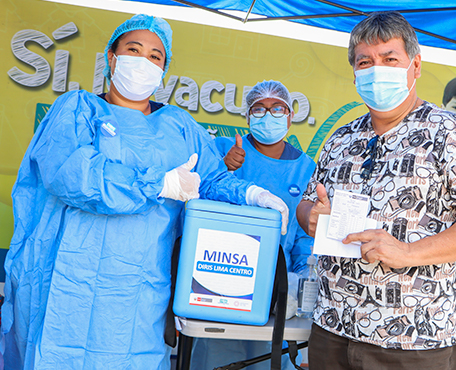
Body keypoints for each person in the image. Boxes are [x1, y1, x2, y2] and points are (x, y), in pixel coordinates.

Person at [1, 14, 289, 370]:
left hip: (140, 289)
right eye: (133, 50)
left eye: (155, 56)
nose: (143, 61)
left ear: (163, 69)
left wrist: (253, 196)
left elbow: (211, 180)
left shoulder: (179, 125)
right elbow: (73, 175)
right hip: (68, 284)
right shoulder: (77, 110)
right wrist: (159, 184)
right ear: (112, 57)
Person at [296, 11, 456, 370]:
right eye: (366, 62)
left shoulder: (452, 135)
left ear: (416, 66)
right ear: (355, 73)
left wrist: (407, 252)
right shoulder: (341, 138)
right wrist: (310, 216)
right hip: (334, 326)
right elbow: (307, 205)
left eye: (390, 59)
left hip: (414, 338)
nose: (377, 70)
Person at [190, 80, 316, 370]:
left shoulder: (306, 168)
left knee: (267, 360)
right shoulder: (224, 149)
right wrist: (224, 167)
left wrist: (299, 279)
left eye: (277, 108)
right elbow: (196, 194)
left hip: (276, 289)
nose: (268, 114)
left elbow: (304, 235)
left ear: (290, 116)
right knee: (217, 358)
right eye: (259, 108)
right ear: (247, 116)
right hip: (220, 276)